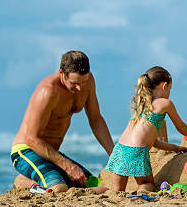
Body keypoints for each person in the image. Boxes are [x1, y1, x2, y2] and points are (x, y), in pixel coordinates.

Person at [11, 50, 114, 193]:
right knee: (58, 189)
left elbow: (95, 119)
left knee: (97, 185)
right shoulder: (47, 92)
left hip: (51, 153)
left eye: (83, 82)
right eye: (74, 83)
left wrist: (113, 154)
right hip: (26, 150)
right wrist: (67, 166)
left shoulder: (88, 81)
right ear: (61, 73)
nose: (80, 88)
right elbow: (31, 139)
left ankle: (47, 177)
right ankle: (22, 181)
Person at [105, 66, 187, 191]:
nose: (169, 93)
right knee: (147, 184)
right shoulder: (165, 103)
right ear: (164, 85)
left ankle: (89, 192)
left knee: (115, 191)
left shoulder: (142, 106)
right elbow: (180, 126)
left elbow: (153, 142)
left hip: (120, 149)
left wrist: (176, 148)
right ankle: (139, 196)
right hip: (137, 152)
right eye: (170, 89)